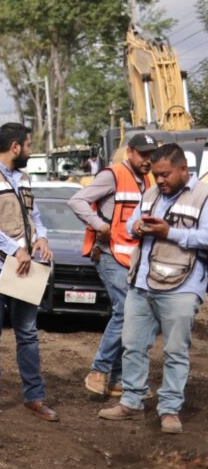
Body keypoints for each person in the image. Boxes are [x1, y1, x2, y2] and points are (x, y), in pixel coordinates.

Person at [99, 143, 208, 435]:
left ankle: (170, 410)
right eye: (156, 175)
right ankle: (132, 401)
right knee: (132, 346)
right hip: (141, 281)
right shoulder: (150, 193)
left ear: (183, 169)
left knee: (175, 351)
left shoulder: (203, 196)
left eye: (165, 175)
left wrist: (168, 232)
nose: (160, 180)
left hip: (182, 286)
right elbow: (132, 221)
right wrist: (136, 227)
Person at [0, 122, 58, 422]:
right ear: (15, 147)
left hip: (24, 265)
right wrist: (13, 249)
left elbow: (33, 215)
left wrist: (41, 236)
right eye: (28, 146)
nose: (30, 151)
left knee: (27, 332)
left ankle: (34, 397)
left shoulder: (24, 178)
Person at [68, 133, 155, 397]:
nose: (148, 160)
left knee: (133, 313)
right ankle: (99, 370)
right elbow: (76, 201)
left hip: (132, 257)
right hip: (107, 253)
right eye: (143, 155)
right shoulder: (112, 175)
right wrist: (100, 226)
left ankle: (119, 380)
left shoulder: (148, 180)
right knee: (126, 310)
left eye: (151, 155)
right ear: (130, 152)